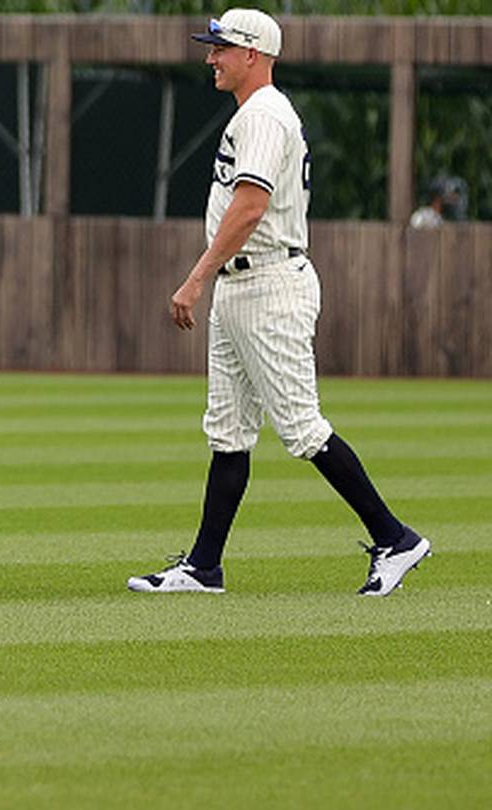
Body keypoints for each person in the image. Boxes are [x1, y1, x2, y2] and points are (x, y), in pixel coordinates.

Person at [128, 9, 431, 596]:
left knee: (301, 428)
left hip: (268, 284)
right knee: (229, 431)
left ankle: (395, 538)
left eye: (221, 49)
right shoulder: (253, 114)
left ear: (254, 55)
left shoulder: (265, 114)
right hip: (241, 287)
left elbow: (250, 207)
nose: (211, 58)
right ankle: (203, 567)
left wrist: (194, 278)